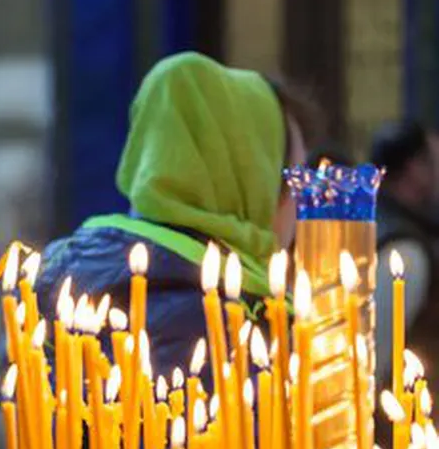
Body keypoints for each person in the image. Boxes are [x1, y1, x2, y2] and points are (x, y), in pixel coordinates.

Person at [35, 51, 319, 389]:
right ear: (253, 182)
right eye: (295, 180)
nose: (302, 204)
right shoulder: (228, 319)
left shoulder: (68, 272)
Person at [371, 120, 439, 389]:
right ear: (415, 169)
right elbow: (377, 355)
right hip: (400, 417)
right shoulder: (403, 250)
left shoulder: (383, 225)